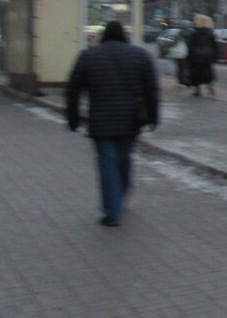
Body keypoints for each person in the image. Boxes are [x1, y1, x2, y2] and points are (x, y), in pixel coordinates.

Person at [65, 20, 159, 226]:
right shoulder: (140, 55)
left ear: (104, 36)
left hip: (101, 120)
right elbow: (152, 89)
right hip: (131, 120)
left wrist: (72, 117)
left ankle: (112, 210)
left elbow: (73, 89)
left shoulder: (89, 55)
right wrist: (153, 117)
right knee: (124, 159)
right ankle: (120, 197)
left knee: (107, 162)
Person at [184, 14, 219, 96]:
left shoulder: (195, 33)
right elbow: (214, 45)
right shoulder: (210, 33)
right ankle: (210, 88)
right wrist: (215, 56)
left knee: (196, 73)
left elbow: (191, 46)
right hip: (207, 56)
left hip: (196, 56)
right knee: (207, 72)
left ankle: (197, 90)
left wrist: (189, 57)